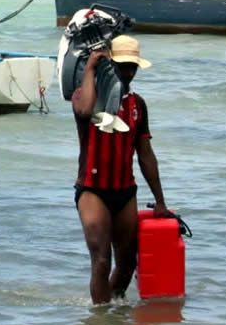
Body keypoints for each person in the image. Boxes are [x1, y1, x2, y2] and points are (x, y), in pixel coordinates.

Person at [71, 34, 169, 305]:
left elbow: (146, 154)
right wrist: (91, 68)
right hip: (93, 192)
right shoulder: (85, 95)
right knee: (102, 260)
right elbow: (86, 109)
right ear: (109, 63)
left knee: (127, 264)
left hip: (125, 191)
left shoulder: (138, 105)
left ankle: (114, 320)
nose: (127, 71)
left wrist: (160, 200)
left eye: (132, 67)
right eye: (122, 65)